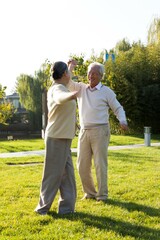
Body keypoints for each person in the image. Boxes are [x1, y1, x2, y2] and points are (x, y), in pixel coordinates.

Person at [67, 61, 128, 201]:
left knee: (100, 164)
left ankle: (102, 195)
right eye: (89, 72)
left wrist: (123, 121)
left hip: (100, 130)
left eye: (94, 73)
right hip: (84, 131)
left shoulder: (106, 92)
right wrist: (70, 67)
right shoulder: (81, 88)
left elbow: (118, 108)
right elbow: (68, 82)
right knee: (82, 165)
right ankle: (89, 193)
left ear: (101, 76)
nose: (91, 75)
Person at [35, 61, 78, 215]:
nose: (70, 74)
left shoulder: (64, 85)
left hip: (64, 138)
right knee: (52, 176)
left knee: (68, 177)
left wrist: (70, 68)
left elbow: (69, 84)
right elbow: (61, 97)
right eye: (68, 72)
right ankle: (42, 208)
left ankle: (66, 209)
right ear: (64, 74)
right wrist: (72, 95)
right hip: (56, 138)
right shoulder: (56, 90)